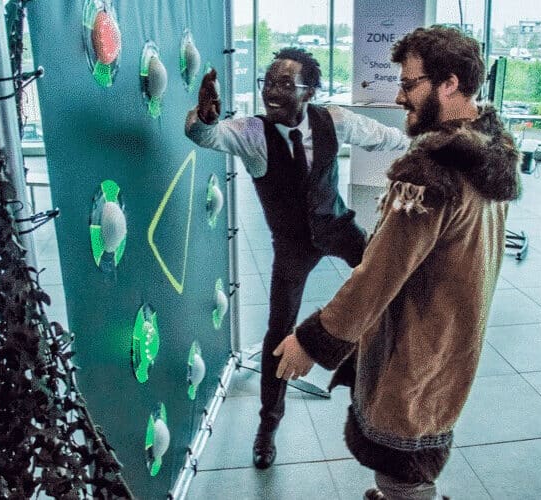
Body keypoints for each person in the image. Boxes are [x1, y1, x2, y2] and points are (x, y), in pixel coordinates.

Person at [273, 26, 521, 499]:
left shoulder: (431, 173)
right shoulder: (489, 154)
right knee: (413, 461)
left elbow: (380, 274)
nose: (399, 96)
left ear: (449, 84)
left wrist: (313, 340)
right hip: (448, 344)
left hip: (413, 352)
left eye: (409, 84)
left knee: (402, 474)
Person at [185, 47, 408, 469]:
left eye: (286, 84)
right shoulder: (252, 133)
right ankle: (267, 427)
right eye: (268, 82)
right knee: (278, 332)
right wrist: (205, 120)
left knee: (387, 287)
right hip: (292, 246)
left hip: (338, 228)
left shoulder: (333, 120)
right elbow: (208, 136)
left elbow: (382, 136)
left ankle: (373, 374)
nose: (272, 91)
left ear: (310, 91)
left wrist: (422, 145)